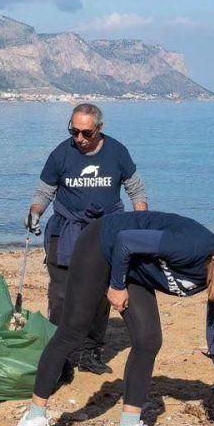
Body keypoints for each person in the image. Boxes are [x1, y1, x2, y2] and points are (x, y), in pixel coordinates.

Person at [15, 211, 214, 426]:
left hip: (134, 266)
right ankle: (33, 420)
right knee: (73, 332)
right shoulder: (192, 247)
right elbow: (125, 240)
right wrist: (117, 286)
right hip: (101, 244)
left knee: (148, 339)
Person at [26, 103, 148, 377]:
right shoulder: (61, 153)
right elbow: (45, 191)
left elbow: (136, 190)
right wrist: (35, 213)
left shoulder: (117, 152)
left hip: (106, 230)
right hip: (67, 230)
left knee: (100, 294)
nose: (79, 138)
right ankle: (60, 357)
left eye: (86, 133)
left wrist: (139, 226)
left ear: (99, 130)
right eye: (74, 131)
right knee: (61, 295)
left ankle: (91, 353)